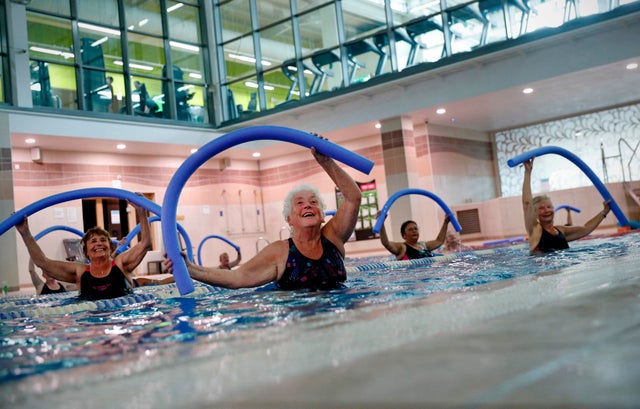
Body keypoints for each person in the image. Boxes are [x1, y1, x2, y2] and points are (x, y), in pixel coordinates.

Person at [165, 137, 362, 291]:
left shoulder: (333, 237)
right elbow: (238, 278)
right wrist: (190, 269)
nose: (308, 206)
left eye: (313, 202)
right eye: (299, 203)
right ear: (289, 219)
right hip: (303, 321)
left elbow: (353, 197)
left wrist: (326, 161)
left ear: (322, 215)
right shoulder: (280, 252)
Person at [15, 200, 152, 300]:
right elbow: (42, 262)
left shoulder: (120, 263)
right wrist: (25, 232)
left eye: (103, 240)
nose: (98, 244)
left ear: (110, 247)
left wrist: (141, 213)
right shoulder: (80, 271)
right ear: (86, 251)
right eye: (93, 241)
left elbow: (145, 243)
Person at [522, 158, 611, 253]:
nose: (546, 210)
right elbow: (527, 204)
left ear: (553, 209)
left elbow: (586, 229)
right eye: (541, 208)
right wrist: (528, 172)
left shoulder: (561, 231)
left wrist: (604, 212)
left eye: (548, 207)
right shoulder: (535, 230)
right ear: (534, 213)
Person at [378, 213, 451, 260]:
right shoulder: (402, 247)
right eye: (410, 229)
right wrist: (381, 222)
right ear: (403, 235)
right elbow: (386, 243)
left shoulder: (424, 245)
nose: (414, 231)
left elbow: (439, 241)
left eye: (416, 229)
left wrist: (446, 222)